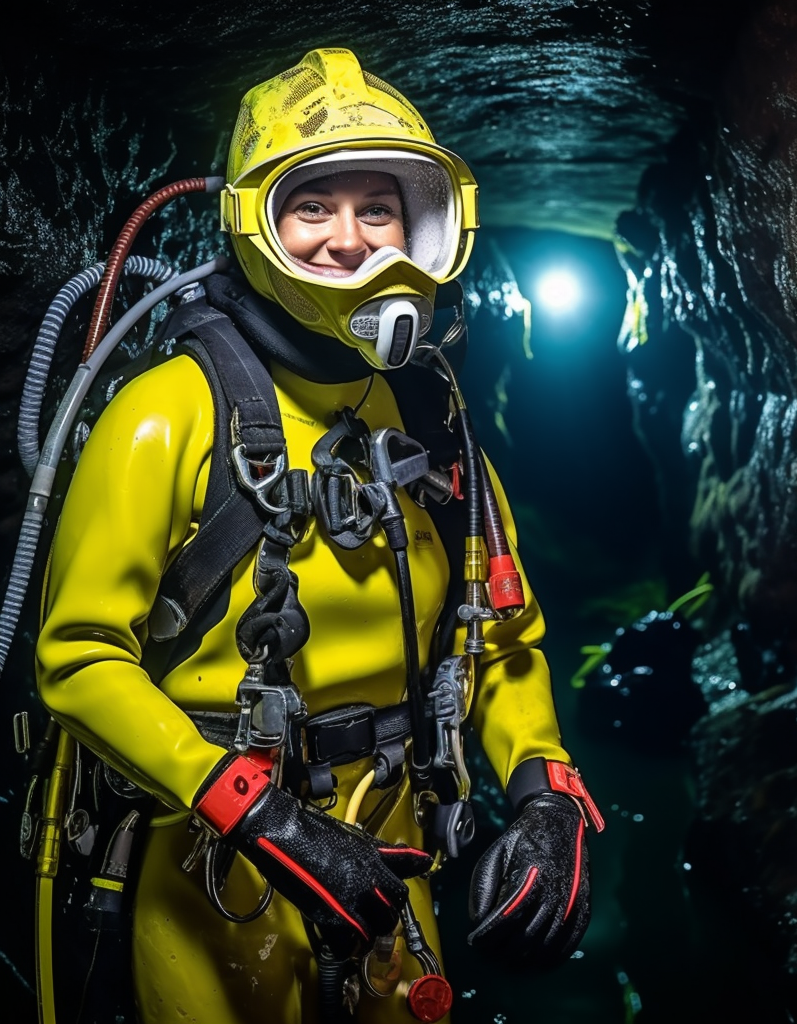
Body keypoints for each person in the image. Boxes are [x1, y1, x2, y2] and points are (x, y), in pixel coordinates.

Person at [33, 47, 602, 1024]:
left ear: (422, 227)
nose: (352, 241)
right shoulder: (165, 416)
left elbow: (502, 642)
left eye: (378, 209)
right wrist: (256, 809)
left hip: (390, 865)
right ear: (257, 225)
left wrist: (547, 793)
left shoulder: (433, 423)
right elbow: (77, 658)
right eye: (314, 209)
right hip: (210, 874)